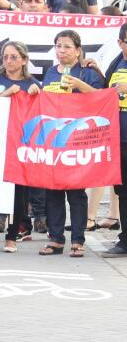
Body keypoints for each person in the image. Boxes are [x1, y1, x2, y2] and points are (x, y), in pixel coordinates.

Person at [37, 30, 104, 258]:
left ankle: (78, 240)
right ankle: (55, 240)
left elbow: (102, 98)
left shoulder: (87, 72)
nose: (61, 51)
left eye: (66, 47)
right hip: (54, 140)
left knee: (76, 193)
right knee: (53, 191)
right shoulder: (50, 72)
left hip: (78, 139)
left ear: (78, 50)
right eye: (58, 46)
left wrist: (79, 84)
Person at [0, 41, 41, 253]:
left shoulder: (33, 84)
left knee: (19, 192)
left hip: (20, 145)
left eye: (13, 57)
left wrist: (37, 95)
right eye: (5, 57)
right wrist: (5, 95)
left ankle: (13, 235)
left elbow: (41, 116)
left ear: (24, 60)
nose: (8, 61)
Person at [102, 27, 127, 257]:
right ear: (120, 43)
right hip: (119, 139)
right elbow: (102, 91)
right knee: (123, 191)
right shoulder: (117, 63)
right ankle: (125, 240)